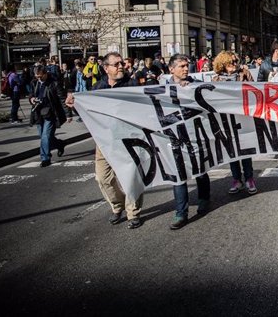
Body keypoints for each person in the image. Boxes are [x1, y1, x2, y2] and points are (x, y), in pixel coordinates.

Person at [67, 52, 144, 228]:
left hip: (127, 139)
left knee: (131, 177)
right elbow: (88, 111)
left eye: (121, 64)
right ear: (106, 68)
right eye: (116, 64)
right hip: (104, 141)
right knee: (103, 178)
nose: (121, 67)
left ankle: (133, 212)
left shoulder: (130, 86)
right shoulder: (98, 88)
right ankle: (118, 205)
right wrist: (75, 104)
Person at [163, 54, 211, 229]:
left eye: (186, 65)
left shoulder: (195, 84)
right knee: (178, 175)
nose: (185, 69)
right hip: (173, 137)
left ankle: (204, 199)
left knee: (200, 169)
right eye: (181, 66)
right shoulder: (160, 88)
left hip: (194, 135)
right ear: (171, 69)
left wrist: (190, 89)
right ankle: (181, 213)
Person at [212, 51, 258, 195]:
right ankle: (236, 179)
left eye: (235, 61)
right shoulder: (216, 79)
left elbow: (254, 90)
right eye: (230, 62)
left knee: (245, 150)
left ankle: (249, 178)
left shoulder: (244, 73)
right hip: (226, 119)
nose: (234, 65)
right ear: (223, 64)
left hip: (242, 117)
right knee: (232, 151)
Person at [29, 66, 67, 167]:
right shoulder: (34, 83)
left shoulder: (54, 83)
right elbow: (31, 94)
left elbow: (62, 99)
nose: (39, 79)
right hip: (38, 113)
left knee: (45, 136)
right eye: (37, 77)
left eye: (41, 76)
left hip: (50, 113)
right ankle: (59, 144)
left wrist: (68, 114)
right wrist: (32, 99)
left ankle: (45, 158)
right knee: (44, 137)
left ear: (46, 74)